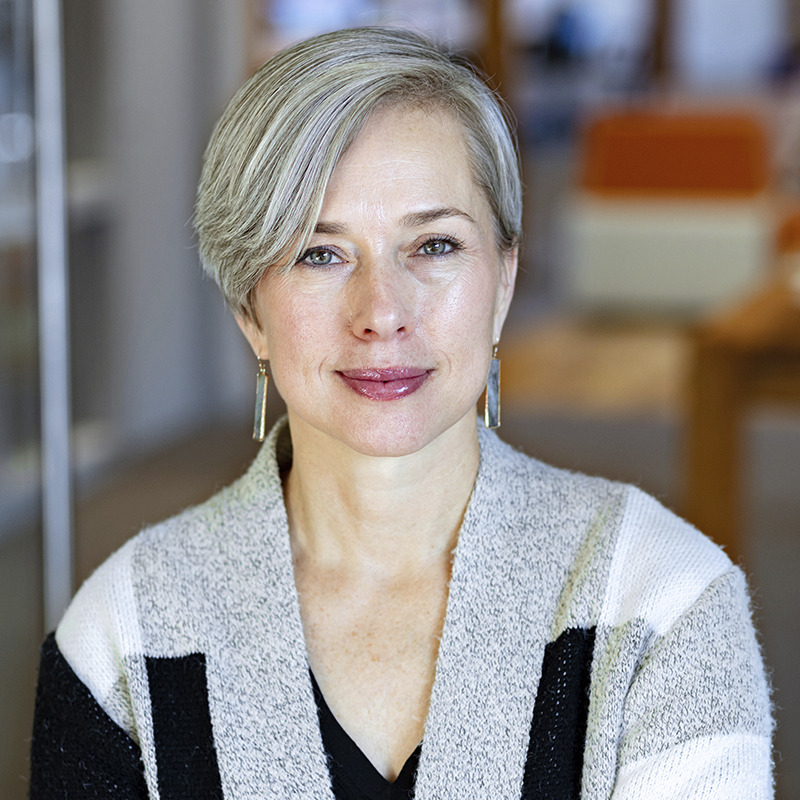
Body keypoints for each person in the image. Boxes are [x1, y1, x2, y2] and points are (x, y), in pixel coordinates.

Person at [30, 26, 772, 800]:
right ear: (250, 309)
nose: (382, 312)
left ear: (505, 282)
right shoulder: (120, 641)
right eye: (320, 253)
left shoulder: (666, 602)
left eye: (435, 246)